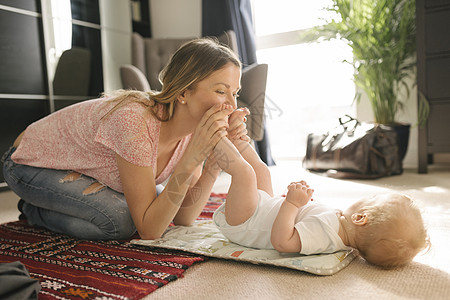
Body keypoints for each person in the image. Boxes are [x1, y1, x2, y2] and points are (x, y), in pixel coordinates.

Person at [2, 37, 247, 241]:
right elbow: (150, 231)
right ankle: (34, 210)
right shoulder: (135, 122)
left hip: (83, 169)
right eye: (220, 91)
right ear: (184, 92)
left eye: (234, 93)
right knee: (120, 221)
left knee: (160, 203)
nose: (232, 104)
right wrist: (192, 158)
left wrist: (213, 165)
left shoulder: (193, 131)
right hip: (29, 163)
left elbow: (182, 217)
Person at [212, 135, 430, 268]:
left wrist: (292, 204)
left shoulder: (326, 233)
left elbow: (282, 242)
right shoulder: (335, 227)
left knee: (246, 174)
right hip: (261, 208)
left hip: (245, 222)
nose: (366, 196)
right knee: (262, 171)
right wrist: (304, 206)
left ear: (360, 217)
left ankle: (213, 136)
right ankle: (236, 137)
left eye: (371, 198)